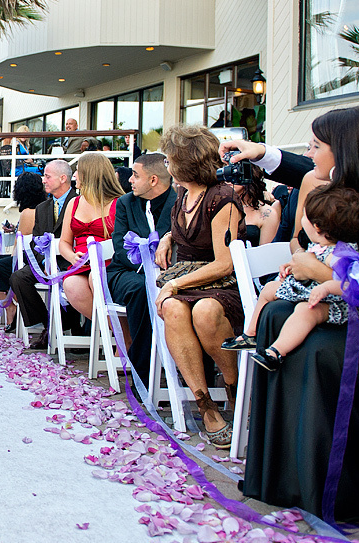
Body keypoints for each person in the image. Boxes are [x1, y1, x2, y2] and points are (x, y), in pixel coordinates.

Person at [236, 108, 359, 519]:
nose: (308, 154)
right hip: (321, 295)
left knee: (316, 342)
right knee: (276, 315)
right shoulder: (323, 185)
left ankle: (323, 483)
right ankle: (282, 476)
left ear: (343, 151)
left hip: (346, 313)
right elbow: (300, 237)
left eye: (316, 146)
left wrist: (317, 271)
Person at [154, 124, 245, 449]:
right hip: (188, 277)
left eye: (170, 159)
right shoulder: (183, 195)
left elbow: (224, 263)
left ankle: (234, 389)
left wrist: (174, 283)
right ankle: (205, 406)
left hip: (222, 282)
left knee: (205, 311)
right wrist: (166, 237)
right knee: (173, 309)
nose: (166, 165)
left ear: (185, 162)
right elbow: (181, 234)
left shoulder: (223, 198)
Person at [224, 188, 359, 364]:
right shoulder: (320, 245)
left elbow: (350, 283)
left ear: (316, 227)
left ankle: (276, 351)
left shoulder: (338, 255)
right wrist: (290, 267)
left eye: (304, 217)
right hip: (309, 291)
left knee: (305, 312)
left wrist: (326, 287)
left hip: (333, 302)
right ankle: (251, 333)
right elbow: (307, 262)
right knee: (270, 288)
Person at [106, 153, 177, 384]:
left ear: (154, 180)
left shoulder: (178, 202)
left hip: (169, 273)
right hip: (126, 272)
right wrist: (146, 267)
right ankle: (142, 374)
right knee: (141, 289)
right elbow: (120, 247)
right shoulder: (126, 203)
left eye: (135, 175)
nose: (130, 180)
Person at [9, 160, 77, 349]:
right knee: (18, 278)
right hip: (46, 262)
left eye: (47, 176)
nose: (43, 181)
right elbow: (36, 241)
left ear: (63, 178)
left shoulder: (78, 202)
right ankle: (50, 324)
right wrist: (43, 263)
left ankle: (64, 324)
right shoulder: (42, 208)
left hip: (70, 262)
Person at [58, 153, 124, 320]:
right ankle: (113, 332)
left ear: (90, 174)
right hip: (80, 264)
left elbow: (122, 241)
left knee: (97, 279)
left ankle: (122, 338)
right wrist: (72, 256)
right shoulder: (74, 203)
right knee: (71, 285)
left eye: (78, 171)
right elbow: (64, 242)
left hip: (108, 263)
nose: (74, 175)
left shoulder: (118, 203)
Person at [0, 171, 47, 333]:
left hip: (29, 257)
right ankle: (10, 307)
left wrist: (12, 260)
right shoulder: (42, 207)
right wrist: (13, 229)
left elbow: (19, 246)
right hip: (35, 254)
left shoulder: (27, 212)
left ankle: (10, 307)